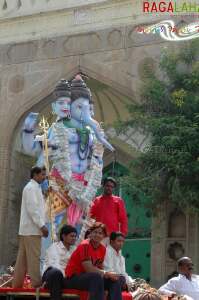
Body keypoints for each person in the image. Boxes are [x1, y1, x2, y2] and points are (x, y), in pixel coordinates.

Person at [64, 222, 124, 300]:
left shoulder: (102, 249)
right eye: (95, 232)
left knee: (114, 280)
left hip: (90, 278)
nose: (97, 235)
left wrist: (110, 276)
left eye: (100, 233)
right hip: (72, 278)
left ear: (104, 236)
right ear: (91, 233)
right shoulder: (85, 245)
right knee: (96, 277)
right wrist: (107, 273)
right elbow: (88, 269)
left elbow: (99, 267)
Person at [12, 166, 49, 288]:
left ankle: (16, 286)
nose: (44, 177)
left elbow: (38, 206)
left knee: (22, 261)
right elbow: (33, 210)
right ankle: (37, 286)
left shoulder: (34, 188)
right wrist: (42, 226)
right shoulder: (31, 188)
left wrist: (46, 195)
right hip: (32, 230)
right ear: (35, 174)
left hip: (27, 230)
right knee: (34, 259)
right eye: (42, 175)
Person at [42, 225, 77, 300]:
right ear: (64, 236)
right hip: (51, 275)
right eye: (72, 236)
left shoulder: (74, 249)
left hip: (66, 277)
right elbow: (55, 264)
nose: (74, 238)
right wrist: (65, 277)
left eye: (75, 236)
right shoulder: (54, 247)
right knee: (56, 273)